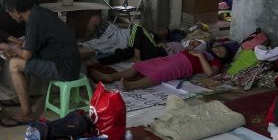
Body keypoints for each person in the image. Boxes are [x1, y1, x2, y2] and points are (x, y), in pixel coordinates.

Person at [0, 0, 81, 126]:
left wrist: (12, 48)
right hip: (68, 62)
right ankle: (23, 99)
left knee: (15, 65)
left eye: (9, 12)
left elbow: (26, 54)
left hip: (65, 68)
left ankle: (27, 114)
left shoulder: (34, 20)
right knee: (20, 59)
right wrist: (17, 50)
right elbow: (30, 46)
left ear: (15, 11)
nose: (10, 15)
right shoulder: (38, 13)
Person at [90, 45, 228, 91]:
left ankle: (131, 85)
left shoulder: (215, 62)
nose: (218, 51)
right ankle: (111, 77)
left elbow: (210, 73)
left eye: (222, 52)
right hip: (176, 57)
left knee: (160, 73)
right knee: (142, 65)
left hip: (184, 65)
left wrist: (199, 56)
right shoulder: (205, 51)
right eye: (218, 48)